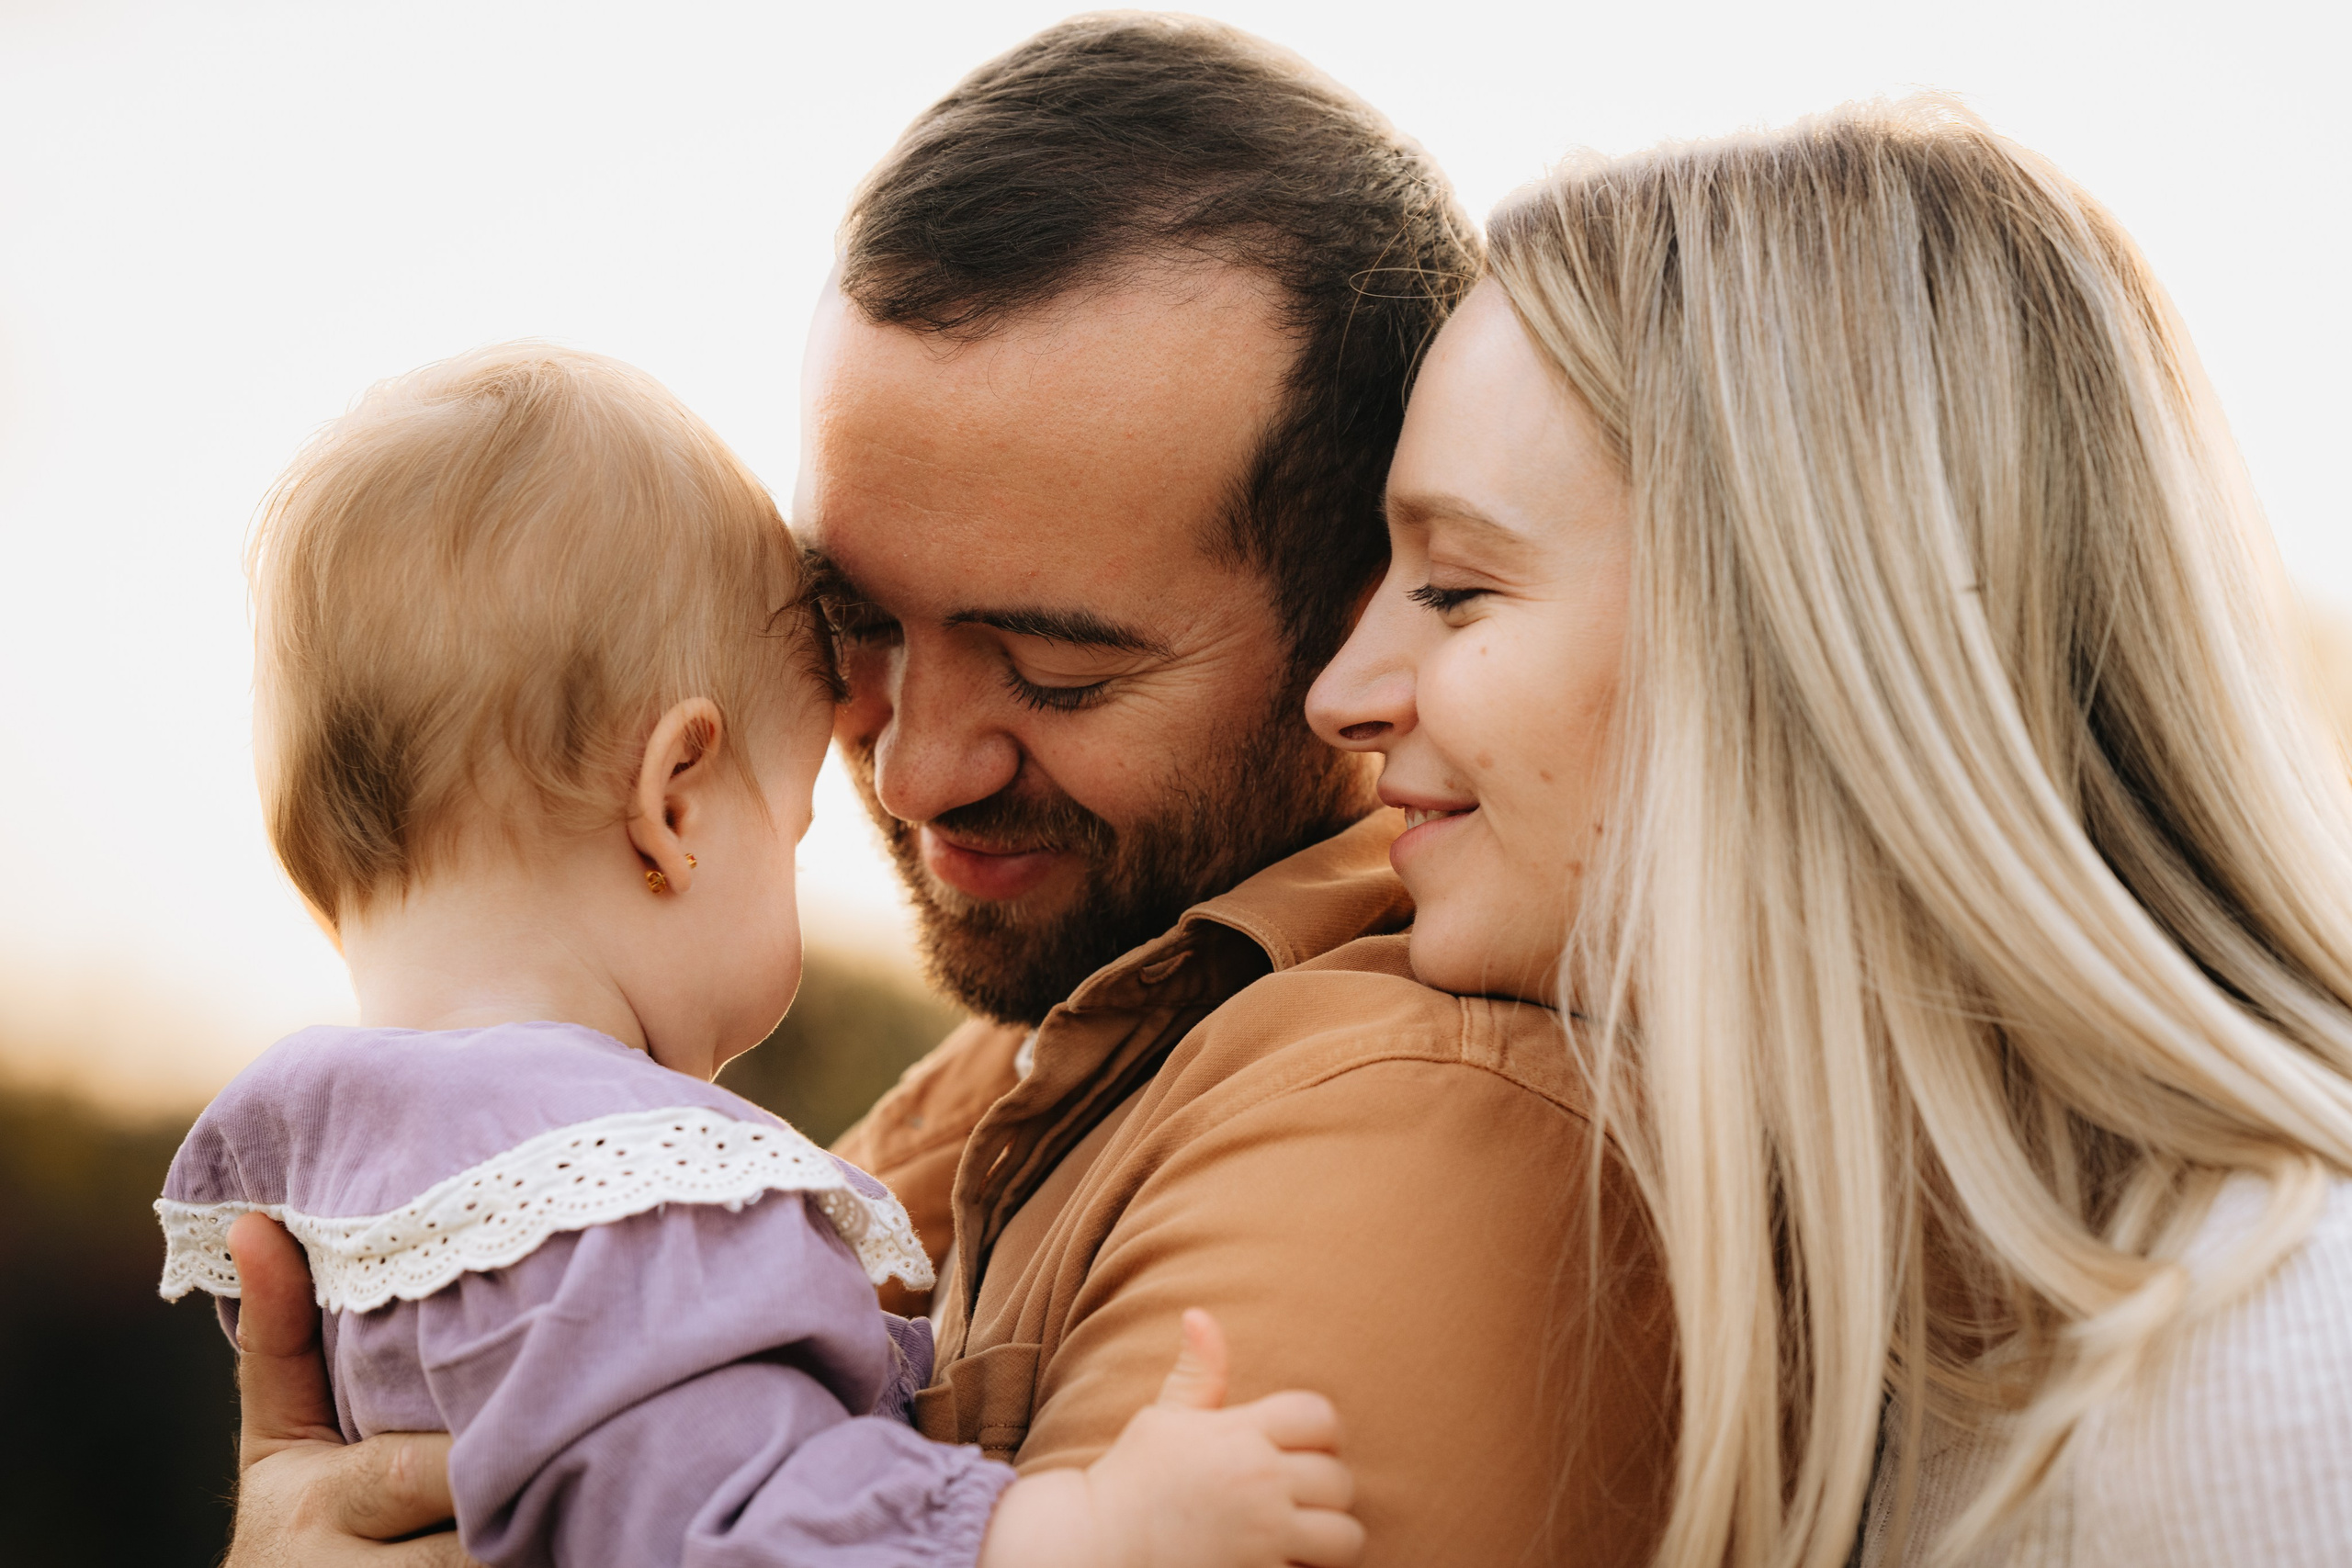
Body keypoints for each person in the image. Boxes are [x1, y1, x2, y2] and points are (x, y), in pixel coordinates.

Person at [215, 16, 1677, 1568]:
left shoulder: (1408, 1131)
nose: (913, 771)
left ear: (1356, 631)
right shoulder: (990, 1087)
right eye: (848, 625)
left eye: (1056, 669)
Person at [1306, 97, 2352, 1567]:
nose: (1341, 694)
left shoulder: (2280, 1377)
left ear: (1801, 650)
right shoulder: (1843, 1342)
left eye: (1458, 589)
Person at [172, 341, 1363, 1568]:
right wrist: (1087, 1535)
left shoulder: (358, 1182)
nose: (909, 781)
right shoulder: (616, 1207)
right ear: (674, 805)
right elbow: (738, 1526)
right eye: (791, 830)